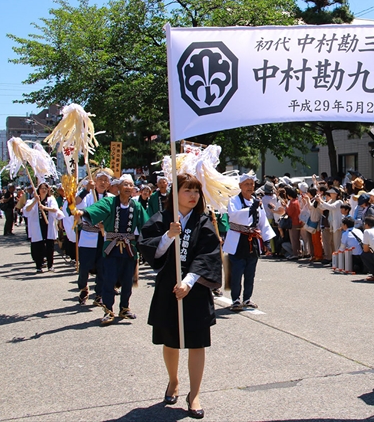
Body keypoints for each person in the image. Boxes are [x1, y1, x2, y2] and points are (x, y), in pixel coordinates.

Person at [138, 174, 222, 417]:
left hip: (193, 289)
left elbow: (207, 255)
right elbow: (147, 246)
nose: (193, 195)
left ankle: (194, 394)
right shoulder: (162, 219)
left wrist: (188, 282)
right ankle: (173, 380)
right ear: (175, 194)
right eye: (187, 190)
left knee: (197, 342)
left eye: (196, 190)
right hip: (168, 288)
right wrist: (168, 237)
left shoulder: (203, 222)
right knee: (170, 340)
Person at [75, 174, 150, 325]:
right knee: (109, 279)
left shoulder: (136, 205)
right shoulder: (109, 201)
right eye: (126, 185)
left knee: (127, 280)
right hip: (111, 247)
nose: (129, 188)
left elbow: (147, 224)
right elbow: (97, 209)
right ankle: (108, 309)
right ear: (118, 187)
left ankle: (124, 307)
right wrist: (83, 213)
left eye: (131, 185)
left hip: (129, 248)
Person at [222, 174, 275, 312]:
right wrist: (251, 209)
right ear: (240, 186)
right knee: (237, 272)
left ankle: (247, 298)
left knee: (250, 272)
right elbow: (234, 216)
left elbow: (263, 222)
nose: (250, 187)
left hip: (253, 240)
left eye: (252, 184)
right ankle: (236, 299)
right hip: (238, 240)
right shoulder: (234, 200)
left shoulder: (256, 201)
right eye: (246, 184)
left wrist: (267, 241)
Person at [74, 171, 113, 306]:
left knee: (103, 267)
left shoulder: (112, 198)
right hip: (88, 236)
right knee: (84, 266)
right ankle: (84, 288)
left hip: (104, 237)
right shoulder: (88, 195)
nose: (103, 182)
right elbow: (75, 203)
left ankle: (99, 294)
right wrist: (85, 190)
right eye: (100, 179)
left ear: (109, 184)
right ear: (95, 181)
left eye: (105, 180)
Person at [23, 182, 63, 273]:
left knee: (50, 246)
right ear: (38, 190)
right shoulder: (32, 200)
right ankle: (39, 265)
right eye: (42, 188)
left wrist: (44, 208)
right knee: (38, 246)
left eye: (46, 188)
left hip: (48, 225)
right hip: (37, 226)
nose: (44, 190)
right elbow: (26, 211)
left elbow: (55, 209)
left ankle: (50, 265)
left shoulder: (51, 199)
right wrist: (35, 201)